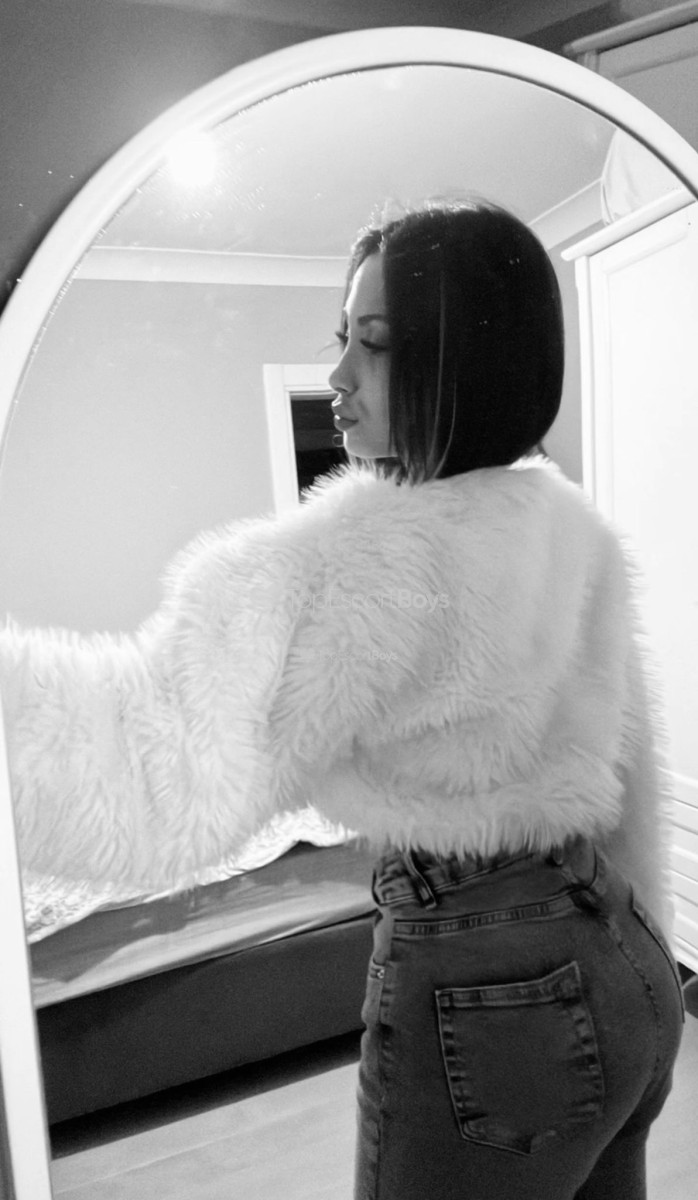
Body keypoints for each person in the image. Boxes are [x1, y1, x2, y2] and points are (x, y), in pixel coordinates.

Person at [0, 199, 684, 1199]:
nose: (338, 376)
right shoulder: (568, 526)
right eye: (343, 340)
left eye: (376, 343)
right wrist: (651, 952)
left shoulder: (346, 564)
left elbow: (150, 775)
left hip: (487, 988)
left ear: (463, 360)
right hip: (623, 954)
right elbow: (633, 780)